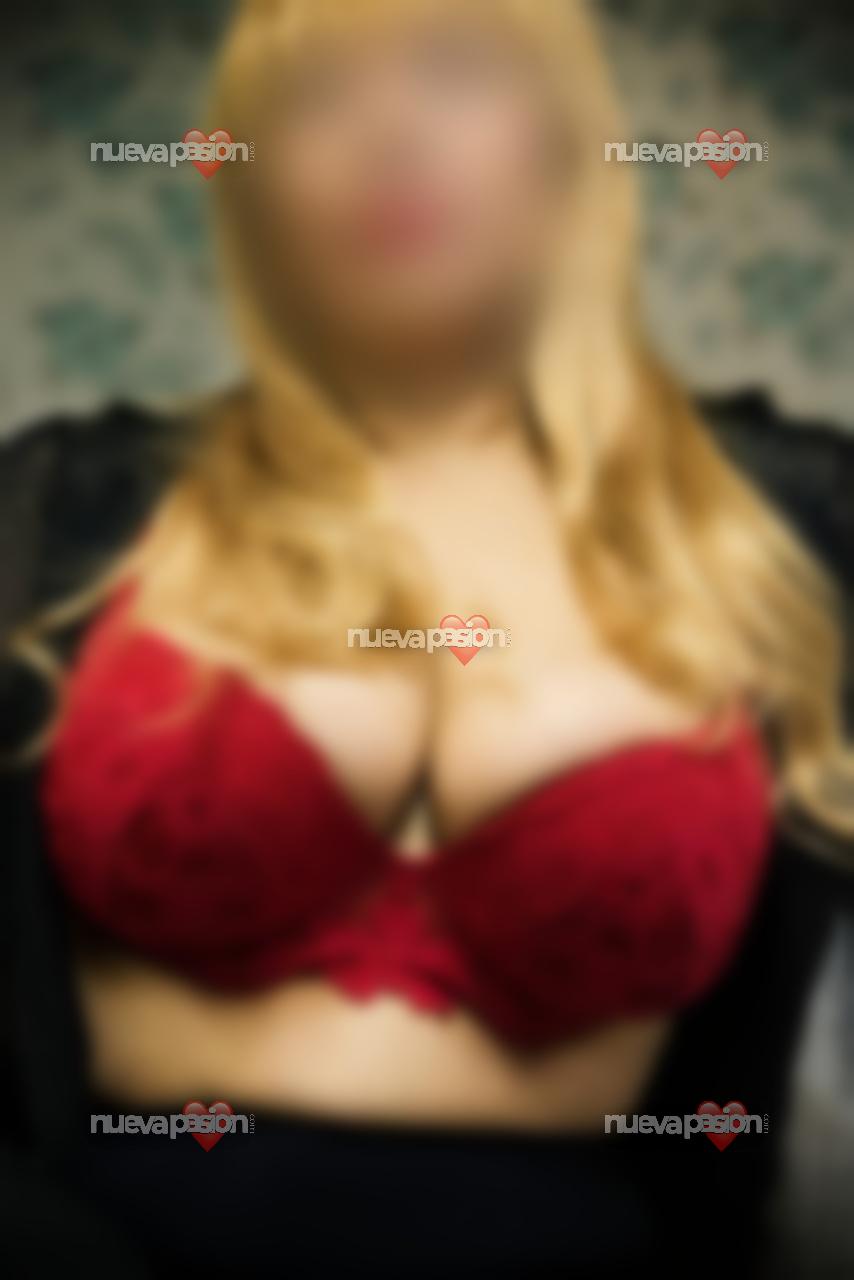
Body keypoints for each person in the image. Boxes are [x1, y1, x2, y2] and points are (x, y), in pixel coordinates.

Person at [1, 1, 851, 1275]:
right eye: (312, 96)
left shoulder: (777, 522)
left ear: (571, 141)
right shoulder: (63, 508)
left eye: (454, 71)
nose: (387, 131)